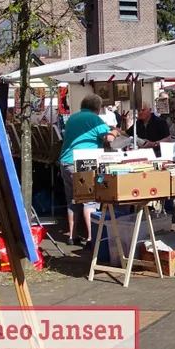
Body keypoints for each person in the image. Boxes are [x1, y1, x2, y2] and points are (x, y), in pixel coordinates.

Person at [58, 93, 121, 247]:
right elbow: (109, 139)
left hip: (66, 161)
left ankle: (72, 235)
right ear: (98, 107)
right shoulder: (94, 119)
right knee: (90, 200)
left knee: (73, 199)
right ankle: (92, 238)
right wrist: (115, 131)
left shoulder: (73, 117)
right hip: (84, 162)